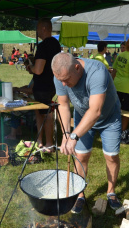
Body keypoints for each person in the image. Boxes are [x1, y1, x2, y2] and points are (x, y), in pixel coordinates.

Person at [51, 52, 122, 212]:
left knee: (111, 156)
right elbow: (63, 105)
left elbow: (96, 110)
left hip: (109, 118)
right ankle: (80, 194)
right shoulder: (60, 75)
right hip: (82, 116)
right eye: (60, 80)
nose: (63, 85)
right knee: (81, 155)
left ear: (77, 67)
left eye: (66, 80)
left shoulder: (97, 72)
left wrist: (75, 135)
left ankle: (111, 192)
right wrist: (66, 134)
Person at [26, 18, 61, 151]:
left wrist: (32, 67)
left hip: (42, 86)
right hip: (52, 84)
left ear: (44, 28)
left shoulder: (43, 45)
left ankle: (49, 144)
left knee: (45, 114)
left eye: (38, 28)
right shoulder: (56, 44)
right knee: (40, 112)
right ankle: (40, 141)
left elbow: (39, 70)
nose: (37, 31)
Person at [111, 35, 129, 131]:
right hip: (128, 89)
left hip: (117, 86)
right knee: (126, 112)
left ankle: (113, 129)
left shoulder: (120, 55)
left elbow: (114, 71)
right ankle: (122, 131)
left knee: (116, 110)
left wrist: (111, 84)